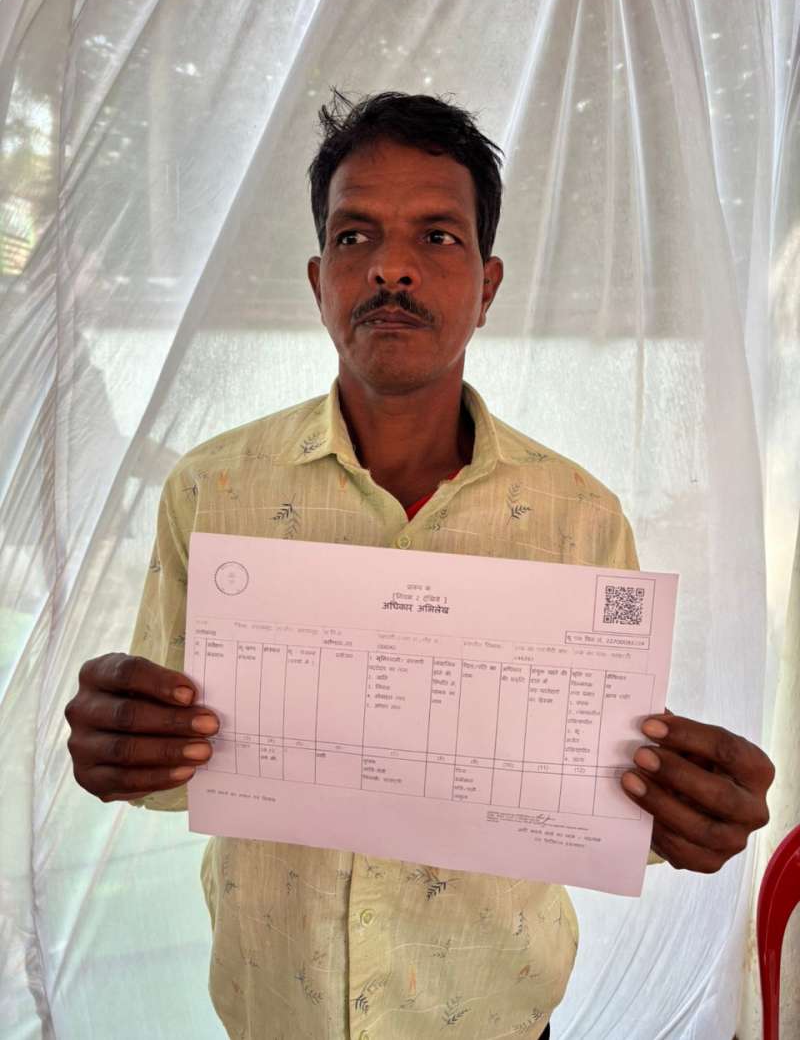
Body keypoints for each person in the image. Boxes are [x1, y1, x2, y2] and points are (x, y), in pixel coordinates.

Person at [65, 90, 775, 1040]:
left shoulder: (578, 518)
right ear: (318, 279)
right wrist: (119, 750)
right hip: (275, 1015)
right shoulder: (213, 490)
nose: (390, 267)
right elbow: (173, 766)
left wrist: (681, 811)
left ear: (487, 286)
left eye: (437, 237)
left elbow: (594, 795)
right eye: (354, 236)